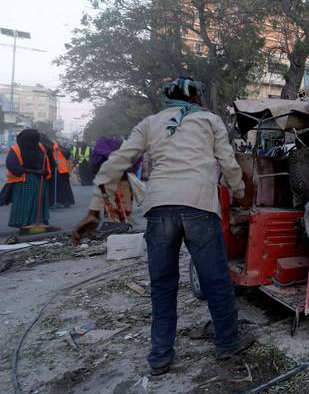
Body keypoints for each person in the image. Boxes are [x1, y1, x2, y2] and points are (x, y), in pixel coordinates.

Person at [73, 77, 252, 375]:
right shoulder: (210, 121)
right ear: (196, 97)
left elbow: (115, 163)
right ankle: (227, 343)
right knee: (216, 281)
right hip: (199, 207)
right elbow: (229, 163)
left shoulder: (149, 123)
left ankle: (160, 356)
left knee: (162, 285)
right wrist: (239, 192)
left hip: (157, 209)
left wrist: (93, 210)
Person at [1, 129, 53, 234]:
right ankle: (26, 224)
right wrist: (37, 171)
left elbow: (50, 163)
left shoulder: (42, 148)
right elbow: (13, 167)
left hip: (36, 181)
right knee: (28, 202)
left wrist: (44, 169)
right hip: (24, 180)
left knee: (34, 202)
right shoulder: (17, 149)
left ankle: (33, 223)